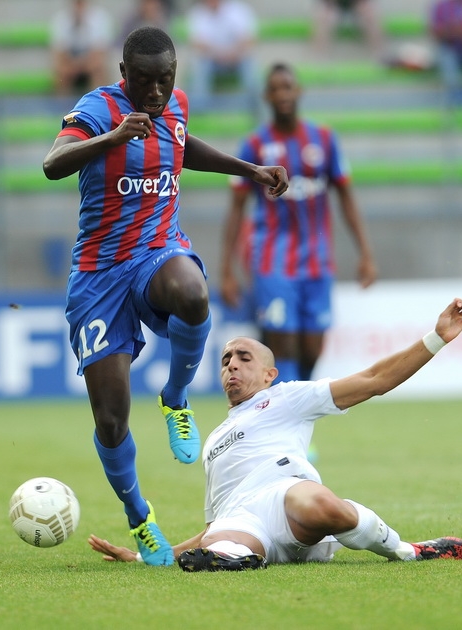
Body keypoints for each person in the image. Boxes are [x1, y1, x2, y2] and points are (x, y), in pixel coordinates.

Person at [42, 26, 288, 566]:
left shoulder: (176, 104)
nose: (156, 92)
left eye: (165, 80)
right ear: (123, 74)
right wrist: (112, 138)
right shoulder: (97, 108)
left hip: (157, 249)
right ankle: (139, 516)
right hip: (99, 275)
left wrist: (248, 170)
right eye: (144, 81)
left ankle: (175, 397)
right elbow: (52, 163)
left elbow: (181, 145)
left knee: (193, 294)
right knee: (111, 419)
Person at [89, 298, 462, 571]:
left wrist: (436, 338)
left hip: (288, 500)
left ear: (269, 375)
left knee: (319, 504)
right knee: (215, 544)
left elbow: (374, 379)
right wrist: (147, 555)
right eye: (225, 360)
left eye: (244, 358)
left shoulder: (287, 397)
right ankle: (237, 558)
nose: (232, 365)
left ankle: (409, 551)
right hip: (243, 521)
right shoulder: (212, 442)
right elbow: (210, 526)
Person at [220, 62, 377, 386]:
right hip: (272, 261)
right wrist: (226, 269)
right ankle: (290, 415)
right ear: (266, 96)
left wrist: (365, 253)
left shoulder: (324, 139)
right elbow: (236, 208)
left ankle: (293, 404)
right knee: (283, 346)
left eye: (287, 87)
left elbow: (346, 197)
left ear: (299, 91)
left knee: (312, 350)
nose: (282, 94)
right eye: (275, 89)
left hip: (317, 261)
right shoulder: (255, 145)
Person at [185, 0, 259, 114]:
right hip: (211, 59)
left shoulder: (238, 10)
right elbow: (197, 43)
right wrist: (218, 54)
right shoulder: (197, 13)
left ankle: (255, 104)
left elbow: (249, 40)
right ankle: (199, 108)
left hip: (237, 58)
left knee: (249, 62)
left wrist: (232, 53)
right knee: (199, 64)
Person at [49, 0, 114, 96]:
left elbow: (99, 54)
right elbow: (60, 53)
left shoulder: (100, 18)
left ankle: (98, 101)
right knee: (60, 73)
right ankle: (62, 103)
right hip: (71, 63)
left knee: (99, 70)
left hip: (90, 63)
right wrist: (73, 67)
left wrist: (82, 65)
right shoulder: (61, 19)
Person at [313, 0, 384, 60]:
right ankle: (319, 56)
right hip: (331, 4)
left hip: (358, 2)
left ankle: (379, 53)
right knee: (324, 18)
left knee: (369, 16)